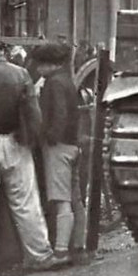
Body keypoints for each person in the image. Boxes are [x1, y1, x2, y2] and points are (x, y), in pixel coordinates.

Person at [0, 27, 60, 276]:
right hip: (15, 143)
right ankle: (39, 255)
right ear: (0, 49)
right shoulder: (21, 74)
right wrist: (31, 140)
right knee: (26, 202)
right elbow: (33, 114)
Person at [30, 41, 83, 262]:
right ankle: (79, 243)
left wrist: (50, 136)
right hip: (72, 145)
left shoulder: (54, 84)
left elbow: (59, 113)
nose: (38, 70)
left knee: (61, 199)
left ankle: (61, 250)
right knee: (75, 197)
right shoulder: (67, 80)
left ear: (49, 64)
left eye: (40, 65)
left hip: (58, 147)